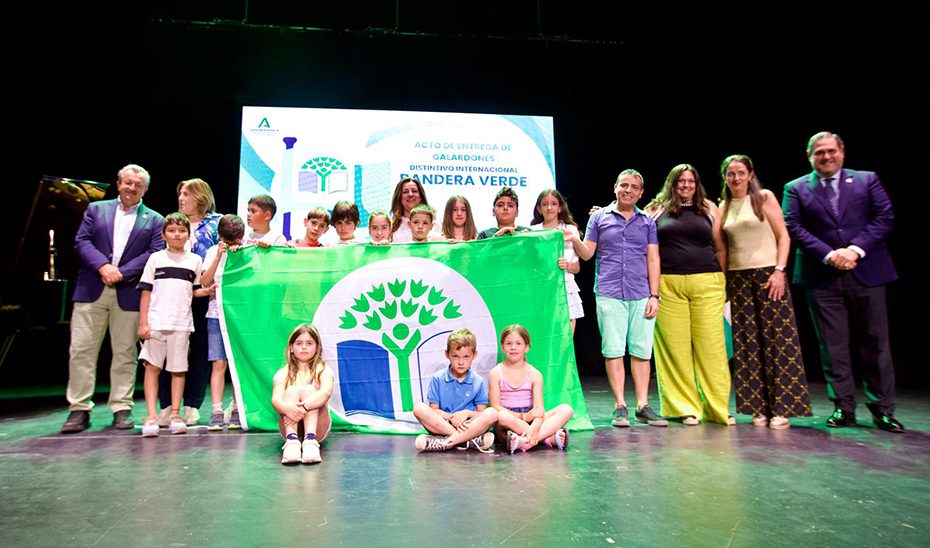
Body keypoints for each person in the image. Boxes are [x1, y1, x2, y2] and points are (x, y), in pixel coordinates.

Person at [782, 132, 903, 432]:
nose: (826, 157)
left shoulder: (867, 180)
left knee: (875, 344)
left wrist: (854, 249)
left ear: (842, 152)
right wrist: (828, 255)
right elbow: (793, 225)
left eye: (831, 151)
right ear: (809, 155)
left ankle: (883, 409)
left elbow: (884, 216)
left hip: (867, 272)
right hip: (821, 277)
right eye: (819, 152)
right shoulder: (795, 188)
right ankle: (843, 408)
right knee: (832, 346)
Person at [61, 164, 165, 434]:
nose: (132, 188)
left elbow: (154, 252)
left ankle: (121, 407)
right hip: (92, 288)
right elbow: (82, 241)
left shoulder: (154, 219)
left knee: (125, 353)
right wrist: (102, 267)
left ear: (145, 189)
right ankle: (79, 409)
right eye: (128, 182)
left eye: (138, 184)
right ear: (118, 183)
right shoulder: (97, 209)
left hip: (128, 291)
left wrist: (121, 272)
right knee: (82, 350)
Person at [568, 169, 666, 427]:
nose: (628, 190)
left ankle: (643, 405)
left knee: (642, 351)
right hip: (609, 292)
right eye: (624, 185)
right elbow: (588, 254)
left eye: (634, 187)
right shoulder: (599, 218)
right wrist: (573, 239)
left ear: (641, 193)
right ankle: (620, 405)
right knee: (613, 349)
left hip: (641, 293)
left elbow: (653, 258)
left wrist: (654, 295)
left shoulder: (647, 221)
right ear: (615, 187)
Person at [720, 154, 811, 429]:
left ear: (750, 174)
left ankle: (782, 408)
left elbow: (784, 235)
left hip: (768, 274)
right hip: (737, 279)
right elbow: (723, 248)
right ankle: (757, 407)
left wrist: (780, 271)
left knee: (777, 340)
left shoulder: (764, 198)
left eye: (740, 173)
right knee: (747, 343)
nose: (735, 178)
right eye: (730, 173)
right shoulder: (723, 205)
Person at [645, 165, 732, 426]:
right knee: (675, 348)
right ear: (672, 183)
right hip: (668, 285)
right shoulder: (656, 208)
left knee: (712, 347)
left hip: (708, 281)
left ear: (697, 184)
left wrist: (723, 281)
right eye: (681, 181)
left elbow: (720, 247)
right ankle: (684, 408)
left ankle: (717, 408)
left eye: (691, 181)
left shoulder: (708, 208)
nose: (686, 185)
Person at [156, 178, 221, 428]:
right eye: (180, 194)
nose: (181, 198)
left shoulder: (217, 223)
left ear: (201, 197)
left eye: (186, 194)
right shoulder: (173, 223)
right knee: (167, 350)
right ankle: (165, 406)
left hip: (205, 296)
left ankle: (192, 404)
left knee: (199, 350)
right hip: (173, 295)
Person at [138, 213, 205, 437]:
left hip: (182, 324)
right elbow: (146, 291)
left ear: (188, 234)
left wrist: (210, 290)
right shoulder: (155, 259)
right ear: (163, 234)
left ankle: (176, 414)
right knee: (152, 368)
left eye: (182, 231)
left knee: (178, 370)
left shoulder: (195, 260)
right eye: (172, 230)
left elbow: (195, 291)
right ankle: (151, 416)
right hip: (156, 322)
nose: (177, 234)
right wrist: (143, 322)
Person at [489, 325, 573, 453]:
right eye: (509, 343)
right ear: (502, 346)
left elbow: (539, 410)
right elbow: (495, 406)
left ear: (527, 347)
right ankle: (547, 439)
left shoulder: (534, 374)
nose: (513, 347)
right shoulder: (496, 373)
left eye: (518, 343)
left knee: (566, 410)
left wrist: (534, 427)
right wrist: (523, 416)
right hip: (509, 421)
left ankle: (526, 441)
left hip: (530, 420)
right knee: (501, 416)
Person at [412, 328, 498, 452]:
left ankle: (447, 442)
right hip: (443, 425)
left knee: (493, 413)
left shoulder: (478, 381)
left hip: (468, 425)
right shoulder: (438, 378)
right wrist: (451, 417)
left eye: (466, 357)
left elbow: (481, 413)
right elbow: (434, 410)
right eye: (455, 357)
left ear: (474, 355)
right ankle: (468, 440)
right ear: (447, 354)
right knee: (419, 408)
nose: (461, 362)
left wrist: (466, 413)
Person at [200, 214, 245, 430]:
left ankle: (237, 407)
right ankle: (217, 409)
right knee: (219, 363)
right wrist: (218, 255)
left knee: (237, 363)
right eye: (228, 240)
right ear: (219, 236)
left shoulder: (246, 252)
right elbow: (204, 281)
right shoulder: (211, 252)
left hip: (239, 317)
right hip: (216, 315)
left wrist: (241, 252)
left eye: (235, 241)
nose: (231, 244)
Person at [271, 324, 334, 464]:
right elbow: (276, 399)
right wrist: (289, 409)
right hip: (290, 425)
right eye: (299, 343)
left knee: (309, 390)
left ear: (317, 347)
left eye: (309, 343)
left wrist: (303, 408)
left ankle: (310, 441)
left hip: (318, 428)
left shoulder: (323, 370)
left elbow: (326, 392)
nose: (304, 347)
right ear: (291, 348)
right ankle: (292, 441)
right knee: (292, 390)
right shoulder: (282, 373)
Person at [530, 189, 584, 333]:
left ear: (560, 207)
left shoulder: (570, 230)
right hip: (542, 288)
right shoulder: (532, 232)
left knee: (566, 336)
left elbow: (577, 267)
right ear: (539, 209)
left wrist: (568, 265)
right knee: (543, 332)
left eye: (553, 204)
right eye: (545, 204)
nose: (549, 208)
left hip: (565, 286)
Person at [390, 176, 439, 243]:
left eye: (414, 191)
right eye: (405, 192)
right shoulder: (391, 225)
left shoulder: (436, 221)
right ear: (399, 197)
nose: (410, 194)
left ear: (420, 196)